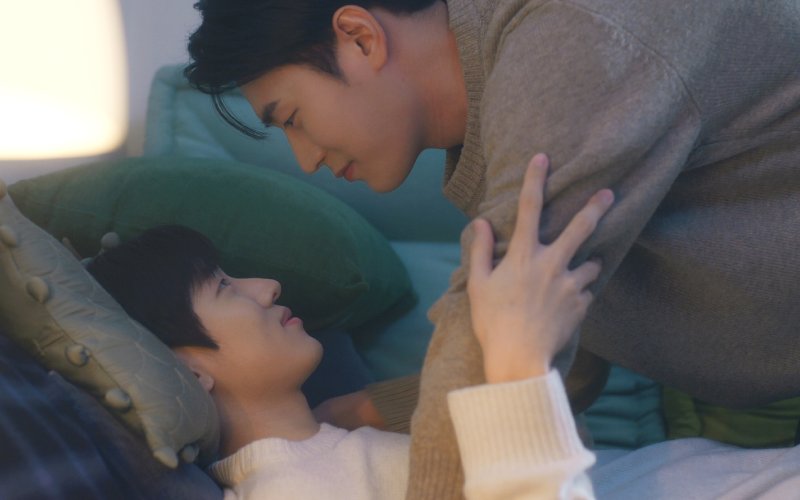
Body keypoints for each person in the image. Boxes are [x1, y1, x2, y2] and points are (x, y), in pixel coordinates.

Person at [183, 0, 800, 496]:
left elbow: (492, 324)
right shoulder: (504, 102)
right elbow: (547, 330)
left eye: (292, 118)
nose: (305, 159)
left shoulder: (575, 41)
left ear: (360, 37)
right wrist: (374, 409)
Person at [86, 161, 611, 499]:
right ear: (186, 368)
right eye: (224, 287)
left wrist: (362, 409)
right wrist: (518, 368)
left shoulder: (334, 449)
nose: (267, 287)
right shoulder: (288, 491)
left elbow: (571, 419)